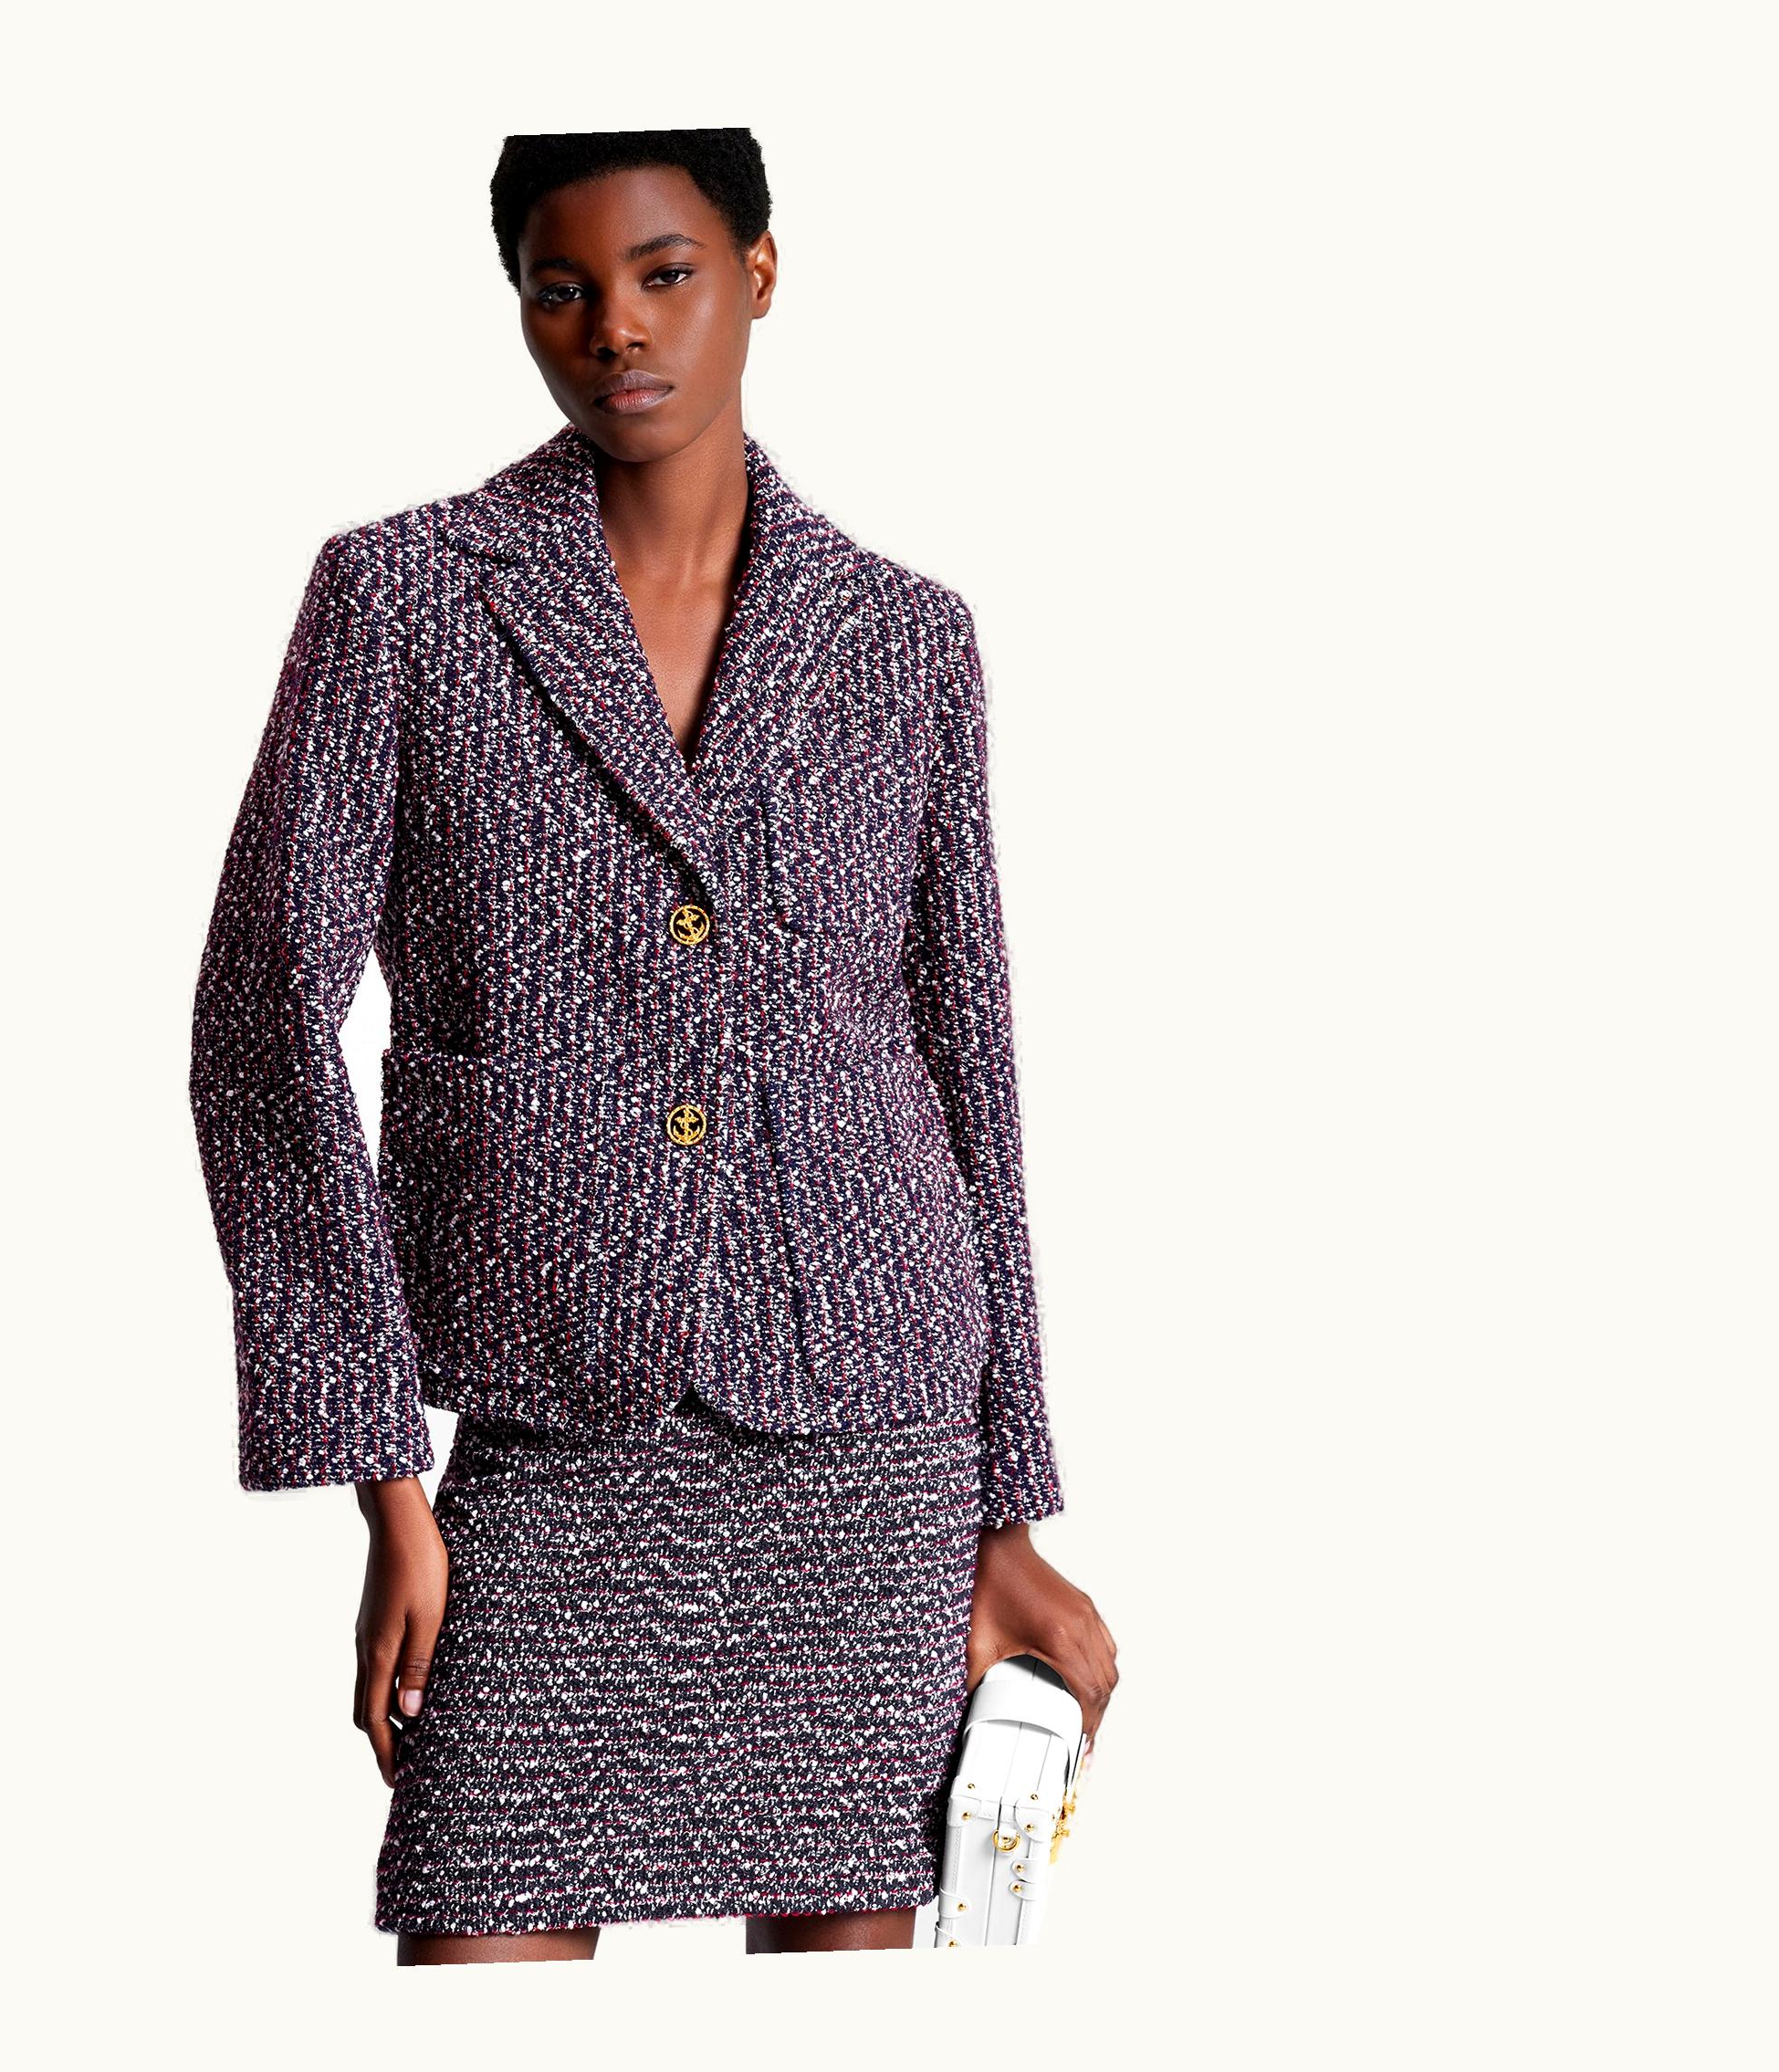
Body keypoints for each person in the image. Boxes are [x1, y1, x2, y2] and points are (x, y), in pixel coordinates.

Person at [188, 127, 1117, 1964]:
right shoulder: (406, 595)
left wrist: (1008, 1503)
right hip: (548, 1415)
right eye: (563, 287)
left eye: (665, 272)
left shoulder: (906, 638)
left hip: (870, 1437)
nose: (614, 325)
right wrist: (385, 1474)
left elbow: (970, 1073)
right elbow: (260, 1023)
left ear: (759, 271)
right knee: (480, 1944)